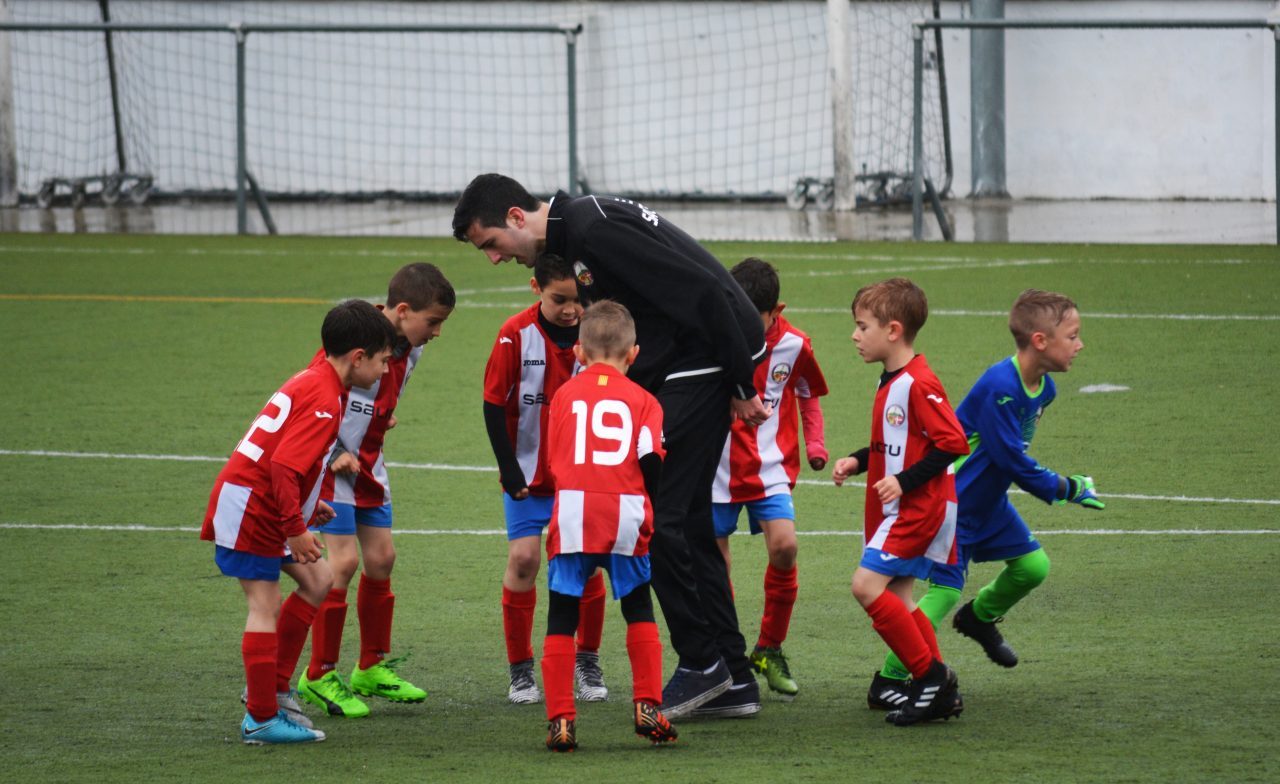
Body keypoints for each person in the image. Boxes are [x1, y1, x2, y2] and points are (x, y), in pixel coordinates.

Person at [454, 174, 770, 719]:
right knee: (690, 520)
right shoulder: (578, 231)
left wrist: (741, 382)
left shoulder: (592, 230)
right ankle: (733, 677)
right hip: (696, 357)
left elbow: (703, 289)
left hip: (711, 356)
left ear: (514, 217)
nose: (494, 259)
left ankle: (702, 663)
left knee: (659, 516)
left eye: (490, 245)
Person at [869, 290, 1103, 705]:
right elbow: (1010, 459)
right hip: (954, 505)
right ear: (1040, 341)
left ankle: (979, 619)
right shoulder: (1001, 387)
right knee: (940, 595)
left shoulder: (1044, 389)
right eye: (1073, 335)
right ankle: (890, 677)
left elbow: (1007, 462)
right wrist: (1066, 487)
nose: (1081, 344)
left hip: (990, 504)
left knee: (1033, 567)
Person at [201, 299, 397, 745]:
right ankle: (261, 718)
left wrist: (310, 510)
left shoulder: (319, 382)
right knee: (264, 606)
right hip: (254, 507)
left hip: (265, 503)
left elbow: (288, 462)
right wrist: (296, 527)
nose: (386, 371)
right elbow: (283, 469)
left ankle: (276, 687)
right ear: (358, 358)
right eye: (384, 361)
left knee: (319, 579)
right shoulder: (326, 398)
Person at [298, 263, 455, 719]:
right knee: (342, 563)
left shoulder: (411, 349)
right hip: (333, 465)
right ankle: (319, 674)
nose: (438, 332)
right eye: (433, 322)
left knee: (382, 559)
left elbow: (377, 399)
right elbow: (314, 396)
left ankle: (370, 667)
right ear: (402, 311)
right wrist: (331, 454)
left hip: (368, 464)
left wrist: (380, 419)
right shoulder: (354, 337)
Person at [830, 278, 970, 727]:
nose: (854, 335)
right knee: (901, 600)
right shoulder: (893, 379)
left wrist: (903, 482)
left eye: (861, 326)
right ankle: (938, 689)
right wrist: (857, 459)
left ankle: (929, 678)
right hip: (903, 504)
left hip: (917, 507)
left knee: (865, 587)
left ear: (893, 330)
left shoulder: (918, 382)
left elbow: (952, 442)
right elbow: (896, 441)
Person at [540, 301, 677, 751]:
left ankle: (561, 719)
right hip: (624, 512)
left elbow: (554, 459)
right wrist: (647, 507)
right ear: (633, 354)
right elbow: (650, 461)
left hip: (575, 511)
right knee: (638, 607)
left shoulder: (564, 396)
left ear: (578, 352)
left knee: (562, 614)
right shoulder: (644, 400)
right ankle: (648, 706)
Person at [482, 252, 610, 705]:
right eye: (560, 300)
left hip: (580, 476)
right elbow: (494, 404)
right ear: (537, 290)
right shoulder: (513, 335)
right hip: (526, 475)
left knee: (586, 563)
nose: (572, 309)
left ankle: (587, 660)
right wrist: (509, 465)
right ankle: (520, 670)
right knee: (523, 560)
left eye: (578, 299)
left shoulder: (596, 337)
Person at [711, 257, 829, 700]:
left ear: (776, 310)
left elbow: (808, 393)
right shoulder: (713, 336)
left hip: (769, 467)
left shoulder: (796, 345)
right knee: (714, 566)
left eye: (752, 317)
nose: (741, 324)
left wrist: (815, 443)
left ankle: (769, 647)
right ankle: (725, 654)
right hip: (715, 468)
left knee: (785, 546)